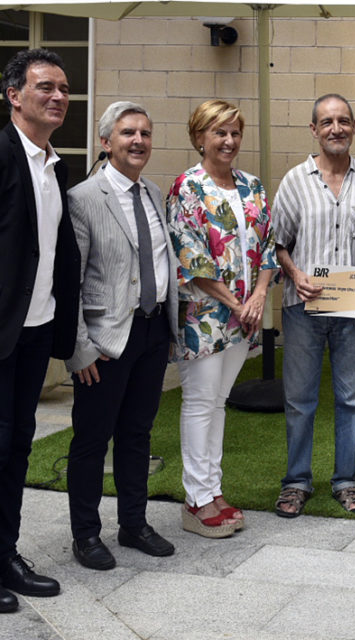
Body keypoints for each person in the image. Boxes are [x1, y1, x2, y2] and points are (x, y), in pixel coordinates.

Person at [65, 101, 178, 571]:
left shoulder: (152, 191)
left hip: (152, 331)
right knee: (93, 439)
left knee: (137, 433)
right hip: (105, 340)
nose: (138, 141)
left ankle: (133, 523)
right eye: (128, 133)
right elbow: (69, 280)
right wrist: (79, 348)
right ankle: (86, 535)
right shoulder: (84, 198)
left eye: (145, 134)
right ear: (106, 141)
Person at [272, 94, 355, 518]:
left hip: (353, 310)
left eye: (343, 121)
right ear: (314, 130)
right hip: (302, 309)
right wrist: (294, 273)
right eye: (326, 122)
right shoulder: (294, 181)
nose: (335, 129)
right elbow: (278, 244)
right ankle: (296, 482)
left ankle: (347, 480)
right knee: (300, 399)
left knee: (352, 399)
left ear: (354, 127)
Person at [167, 99, 278, 538]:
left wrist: (260, 295)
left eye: (234, 132)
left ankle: (212, 490)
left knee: (218, 403)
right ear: (199, 138)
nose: (229, 140)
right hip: (205, 318)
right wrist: (238, 304)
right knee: (198, 403)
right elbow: (190, 259)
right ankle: (195, 500)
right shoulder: (186, 188)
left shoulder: (252, 186)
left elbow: (269, 246)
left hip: (245, 316)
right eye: (219, 132)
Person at [0, 48, 79, 613]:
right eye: (45, 87)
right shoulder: (1, 155)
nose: (57, 96)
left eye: (64, 89)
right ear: (13, 95)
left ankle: (5, 554)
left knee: (18, 446)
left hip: (34, 331)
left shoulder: (56, 164)